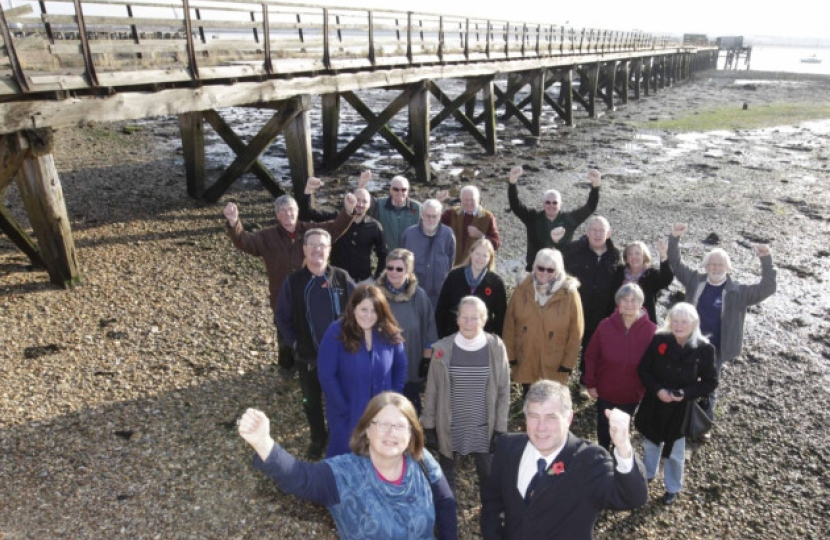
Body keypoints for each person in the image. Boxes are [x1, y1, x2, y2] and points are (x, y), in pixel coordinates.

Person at [238, 392, 458, 540]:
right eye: (382, 424)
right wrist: (262, 442)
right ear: (366, 430)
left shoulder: (422, 460)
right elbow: (299, 477)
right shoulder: (342, 475)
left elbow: (445, 503)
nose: (392, 433)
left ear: (411, 433)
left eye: (400, 426)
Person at [481, 380, 648, 540]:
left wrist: (623, 447)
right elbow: (493, 501)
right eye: (534, 416)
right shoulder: (507, 447)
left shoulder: (589, 460)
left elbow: (633, 497)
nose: (541, 427)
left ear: (568, 418)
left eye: (551, 417)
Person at [223, 191, 355, 379]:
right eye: (283, 211)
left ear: (297, 211)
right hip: (281, 296)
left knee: (312, 331)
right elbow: (245, 241)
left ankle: (313, 367)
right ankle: (286, 368)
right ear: (277, 214)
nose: (288, 214)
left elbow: (334, 229)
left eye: (291, 210)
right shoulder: (267, 236)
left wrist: (348, 210)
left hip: (312, 296)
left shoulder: (310, 231)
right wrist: (234, 222)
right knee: (284, 335)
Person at [667, 223, 776, 422]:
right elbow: (675, 262)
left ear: (728, 267)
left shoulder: (739, 292)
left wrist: (766, 259)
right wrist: (674, 238)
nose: (716, 268)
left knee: (709, 386)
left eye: (720, 265)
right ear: (706, 267)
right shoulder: (695, 281)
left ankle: (703, 424)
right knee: (683, 379)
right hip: (689, 342)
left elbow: (767, 287)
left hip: (716, 349)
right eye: (712, 264)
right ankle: (680, 419)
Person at [275, 229, 356, 459]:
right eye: (313, 245)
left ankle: (338, 436)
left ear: (329, 250)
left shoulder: (341, 277)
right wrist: (294, 343)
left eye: (322, 245)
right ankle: (318, 439)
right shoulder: (293, 282)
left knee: (338, 398)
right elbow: (281, 316)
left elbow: (359, 308)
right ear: (304, 249)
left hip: (340, 356)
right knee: (311, 401)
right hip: (308, 356)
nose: (317, 249)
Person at [422, 296, 510, 502]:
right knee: (446, 481)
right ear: (457, 319)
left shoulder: (496, 348)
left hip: (484, 428)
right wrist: (429, 424)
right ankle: (448, 526)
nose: (469, 323)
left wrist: (500, 427)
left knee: (489, 480)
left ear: (484, 320)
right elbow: (432, 389)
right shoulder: (442, 349)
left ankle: (492, 523)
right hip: (450, 426)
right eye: (464, 317)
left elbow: (504, 390)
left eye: (475, 318)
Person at [634, 303, 718, 505]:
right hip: (655, 403)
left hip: (682, 408)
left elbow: (710, 381)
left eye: (684, 321)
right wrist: (658, 390)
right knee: (650, 444)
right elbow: (644, 370)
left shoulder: (705, 348)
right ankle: (647, 476)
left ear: (694, 323)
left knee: (676, 452)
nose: (679, 325)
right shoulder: (659, 339)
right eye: (675, 320)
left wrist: (686, 393)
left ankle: (672, 487)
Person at [317, 284, 408, 458]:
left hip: (382, 414)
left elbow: (400, 367)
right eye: (363, 309)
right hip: (347, 414)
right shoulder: (336, 332)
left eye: (374, 311)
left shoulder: (390, 332)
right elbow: (326, 375)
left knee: (379, 459)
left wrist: (392, 400)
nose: (368, 316)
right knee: (345, 461)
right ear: (353, 308)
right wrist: (342, 406)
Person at [583, 283, 657, 450]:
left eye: (634, 300)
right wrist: (590, 383)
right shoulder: (605, 325)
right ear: (618, 303)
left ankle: (620, 458)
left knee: (622, 429)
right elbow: (591, 355)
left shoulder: (652, 330)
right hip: (605, 390)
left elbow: (656, 365)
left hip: (633, 394)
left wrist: (649, 390)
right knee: (603, 426)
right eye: (625, 300)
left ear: (640, 303)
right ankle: (603, 453)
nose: (630, 304)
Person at [503, 248, 583, 395]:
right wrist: (510, 355)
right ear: (534, 267)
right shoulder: (522, 288)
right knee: (529, 398)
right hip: (526, 355)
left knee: (550, 400)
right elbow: (509, 324)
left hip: (555, 360)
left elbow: (576, 332)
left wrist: (568, 363)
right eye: (541, 268)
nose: (545, 273)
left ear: (558, 270)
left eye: (550, 270)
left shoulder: (570, 294)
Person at [557, 216, 621, 387]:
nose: (597, 234)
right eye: (593, 230)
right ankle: (559, 379)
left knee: (592, 350)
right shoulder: (573, 249)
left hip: (601, 313)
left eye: (601, 230)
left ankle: (585, 382)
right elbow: (554, 264)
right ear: (586, 232)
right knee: (566, 346)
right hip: (574, 310)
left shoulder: (615, 255)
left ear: (608, 233)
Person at [376, 249, 438, 414]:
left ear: (408, 271)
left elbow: (429, 326)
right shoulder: (376, 295)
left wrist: (426, 359)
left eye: (399, 269)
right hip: (383, 364)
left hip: (412, 360)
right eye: (390, 268)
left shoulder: (419, 296)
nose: (393, 272)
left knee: (410, 408)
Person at [507, 165, 601, 272]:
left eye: (555, 203)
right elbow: (515, 205)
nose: (551, 205)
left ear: (560, 205)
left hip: (560, 269)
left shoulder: (569, 220)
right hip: (536, 269)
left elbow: (590, 207)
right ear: (543, 204)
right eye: (547, 202)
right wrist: (512, 183)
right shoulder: (532, 218)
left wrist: (596, 186)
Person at [435, 238, 507, 338]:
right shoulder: (454, 276)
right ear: (471, 253)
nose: (480, 258)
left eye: (484, 256)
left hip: (482, 339)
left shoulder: (496, 283)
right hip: (453, 335)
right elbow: (441, 308)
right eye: (477, 253)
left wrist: (495, 341)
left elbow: (501, 317)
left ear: (489, 258)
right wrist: (441, 336)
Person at [401, 199, 456, 309]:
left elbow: (451, 261)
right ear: (421, 214)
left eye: (434, 216)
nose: (431, 220)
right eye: (427, 216)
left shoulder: (448, 234)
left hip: (439, 293)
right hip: (415, 292)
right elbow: (402, 263)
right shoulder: (409, 234)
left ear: (440, 216)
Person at [610, 239, 674, 323]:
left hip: (643, 323)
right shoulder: (619, 272)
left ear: (644, 256)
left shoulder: (651, 275)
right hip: (618, 320)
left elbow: (666, 279)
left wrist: (663, 256)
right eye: (630, 254)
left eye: (637, 253)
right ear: (626, 258)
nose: (634, 257)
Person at [440, 185, 500, 265]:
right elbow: (432, 221)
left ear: (478, 200)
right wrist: (437, 201)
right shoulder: (452, 213)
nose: (469, 203)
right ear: (461, 200)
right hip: (453, 265)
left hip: (476, 267)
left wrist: (480, 235)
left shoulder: (487, 217)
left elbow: (496, 244)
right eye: (466, 200)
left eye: (472, 200)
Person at [370, 174, 422, 252]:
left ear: (408, 191)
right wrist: (362, 184)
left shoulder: (417, 207)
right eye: (396, 189)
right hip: (387, 256)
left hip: (409, 256)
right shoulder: (379, 204)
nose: (400, 192)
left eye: (403, 189)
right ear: (390, 190)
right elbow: (361, 204)